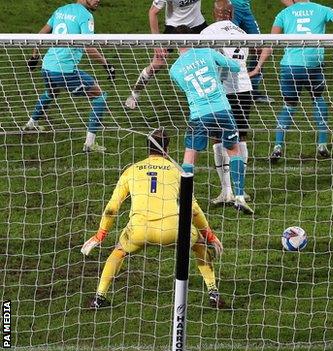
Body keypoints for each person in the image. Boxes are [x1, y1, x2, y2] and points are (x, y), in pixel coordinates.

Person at [81, 129, 227, 309]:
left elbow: (111, 208)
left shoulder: (131, 170)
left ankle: (98, 298)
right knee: (199, 244)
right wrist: (210, 236)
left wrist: (100, 235)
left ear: (147, 147)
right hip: (173, 231)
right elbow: (194, 209)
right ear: (167, 148)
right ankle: (213, 293)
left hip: (139, 231)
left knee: (118, 251)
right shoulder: (177, 170)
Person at [248, 0, 333, 163]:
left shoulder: (283, 14)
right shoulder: (321, 9)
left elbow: (269, 43)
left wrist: (257, 68)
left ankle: (278, 146)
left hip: (290, 68)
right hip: (313, 67)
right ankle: (322, 144)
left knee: (289, 105)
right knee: (318, 98)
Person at [169, 25, 253, 214]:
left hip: (199, 114)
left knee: (190, 156)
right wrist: (220, 60)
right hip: (222, 110)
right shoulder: (207, 52)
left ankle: (185, 201)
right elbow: (233, 66)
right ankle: (239, 196)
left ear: (175, 43)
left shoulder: (174, 69)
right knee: (234, 149)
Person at [24, 0, 115, 153]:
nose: (98, 0)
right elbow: (88, 46)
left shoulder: (60, 10)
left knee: (51, 92)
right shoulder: (85, 16)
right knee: (100, 97)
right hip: (64, 71)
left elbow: (40, 35)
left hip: (46, 66)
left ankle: (31, 124)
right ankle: (89, 144)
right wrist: (107, 65)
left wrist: (34, 57)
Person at [201, 1, 254, 205]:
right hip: (244, 87)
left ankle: (226, 191)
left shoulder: (208, 32)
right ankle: (241, 190)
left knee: (218, 138)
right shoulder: (242, 32)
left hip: (221, 91)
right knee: (240, 137)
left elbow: (208, 61)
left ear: (215, 13)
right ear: (231, 13)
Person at [124, 0, 208, 109]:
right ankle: (134, 95)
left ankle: (222, 93)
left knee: (214, 57)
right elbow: (153, 12)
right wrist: (157, 43)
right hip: (174, 29)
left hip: (198, 26)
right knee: (156, 65)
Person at [221, 0, 274, 103]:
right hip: (231, 6)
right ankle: (225, 89)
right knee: (228, 47)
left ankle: (252, 88)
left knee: (259, 48)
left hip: (245, 8)